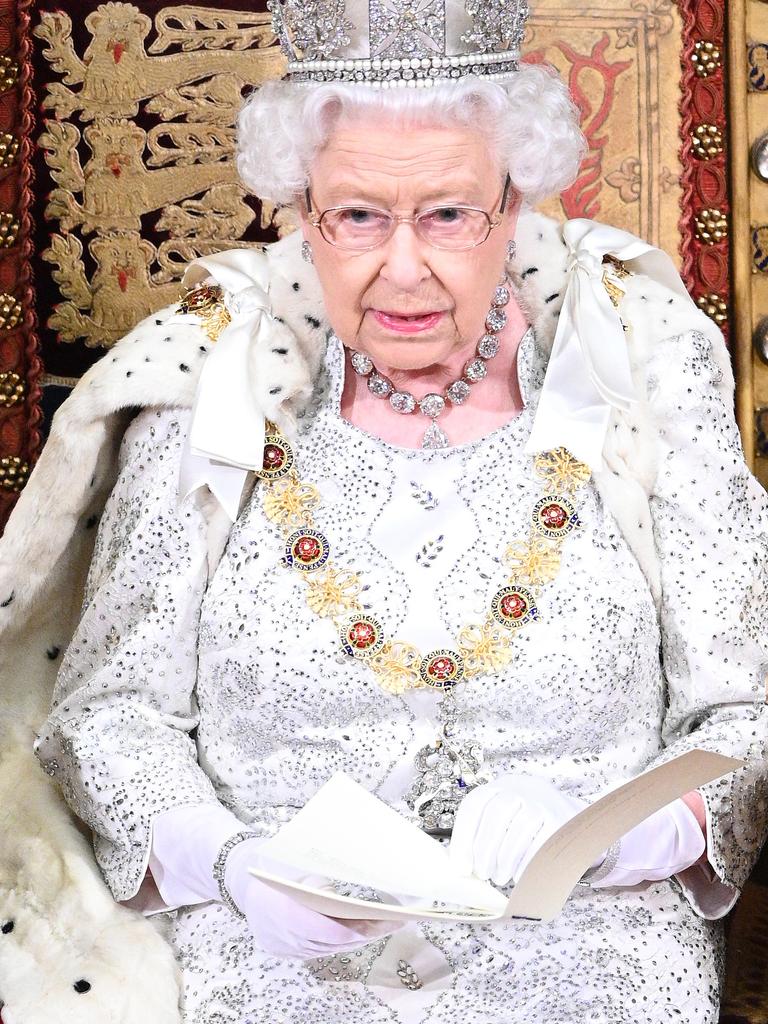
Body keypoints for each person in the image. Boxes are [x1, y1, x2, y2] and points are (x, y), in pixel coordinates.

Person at [1, 0, 766, 1020]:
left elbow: (746, 712)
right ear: (301, 209)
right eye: (357, 215)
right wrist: (232, 864)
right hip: (268, 948)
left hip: (594, 936)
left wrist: (614, 835)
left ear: (517, 202)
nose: (401, 267)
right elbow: (110, 710)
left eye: (448, 214)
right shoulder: (210, 381)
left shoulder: (646, 368)